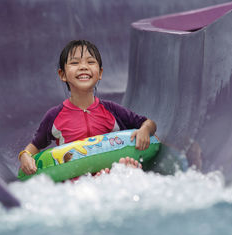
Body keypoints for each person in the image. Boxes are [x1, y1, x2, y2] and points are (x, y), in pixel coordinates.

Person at [19, 40, 157, 177]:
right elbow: (33, 147)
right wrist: (24, 156)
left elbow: (149, 123)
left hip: (108, 176)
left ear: (100, 73)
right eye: (75, 63)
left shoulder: (111, 110)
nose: (83, 67)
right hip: (78, 184)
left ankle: (122, 171)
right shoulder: (54, 116)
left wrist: (144, 130)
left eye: (90, 62)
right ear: (62, 74)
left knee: (122, 169)